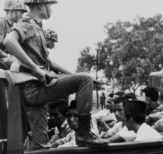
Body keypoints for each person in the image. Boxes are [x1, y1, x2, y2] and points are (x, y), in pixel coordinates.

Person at [3, 0, 108, 149]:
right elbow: (9, 41)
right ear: (40, 6)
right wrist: (35, 68)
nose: (51, 10)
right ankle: (84, 133)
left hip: (35, 90)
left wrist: (72, 75)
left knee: (40, 144)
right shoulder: (28, 23)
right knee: (85, 80)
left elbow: (50, 63)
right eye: (49, 6)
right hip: (35, 88)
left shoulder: (37, 27)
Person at [0, 0, 27, 69]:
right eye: (20, 12)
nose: (22, 15)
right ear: (12, 11)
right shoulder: (1, 23)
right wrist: (8, 57)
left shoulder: (13, 27)